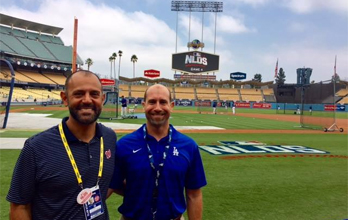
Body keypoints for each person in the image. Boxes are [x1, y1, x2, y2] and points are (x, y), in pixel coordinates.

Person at [7, 70, 117, 220]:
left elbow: (109, 181)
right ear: (65, 98)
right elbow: (19, 206)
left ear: (102, 99)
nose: (87, 100)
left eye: (94, 94)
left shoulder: (109, 137)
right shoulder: (36, 147)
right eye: (78, 94)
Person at [109, 84, 207, 220]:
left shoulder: (189, 146)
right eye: (152, 102)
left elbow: (194, 194)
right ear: (144, 105)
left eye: (163, 102)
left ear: (171, 105)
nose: (157, 107)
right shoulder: (124, 145)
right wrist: (138, 190)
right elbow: (112, 185)